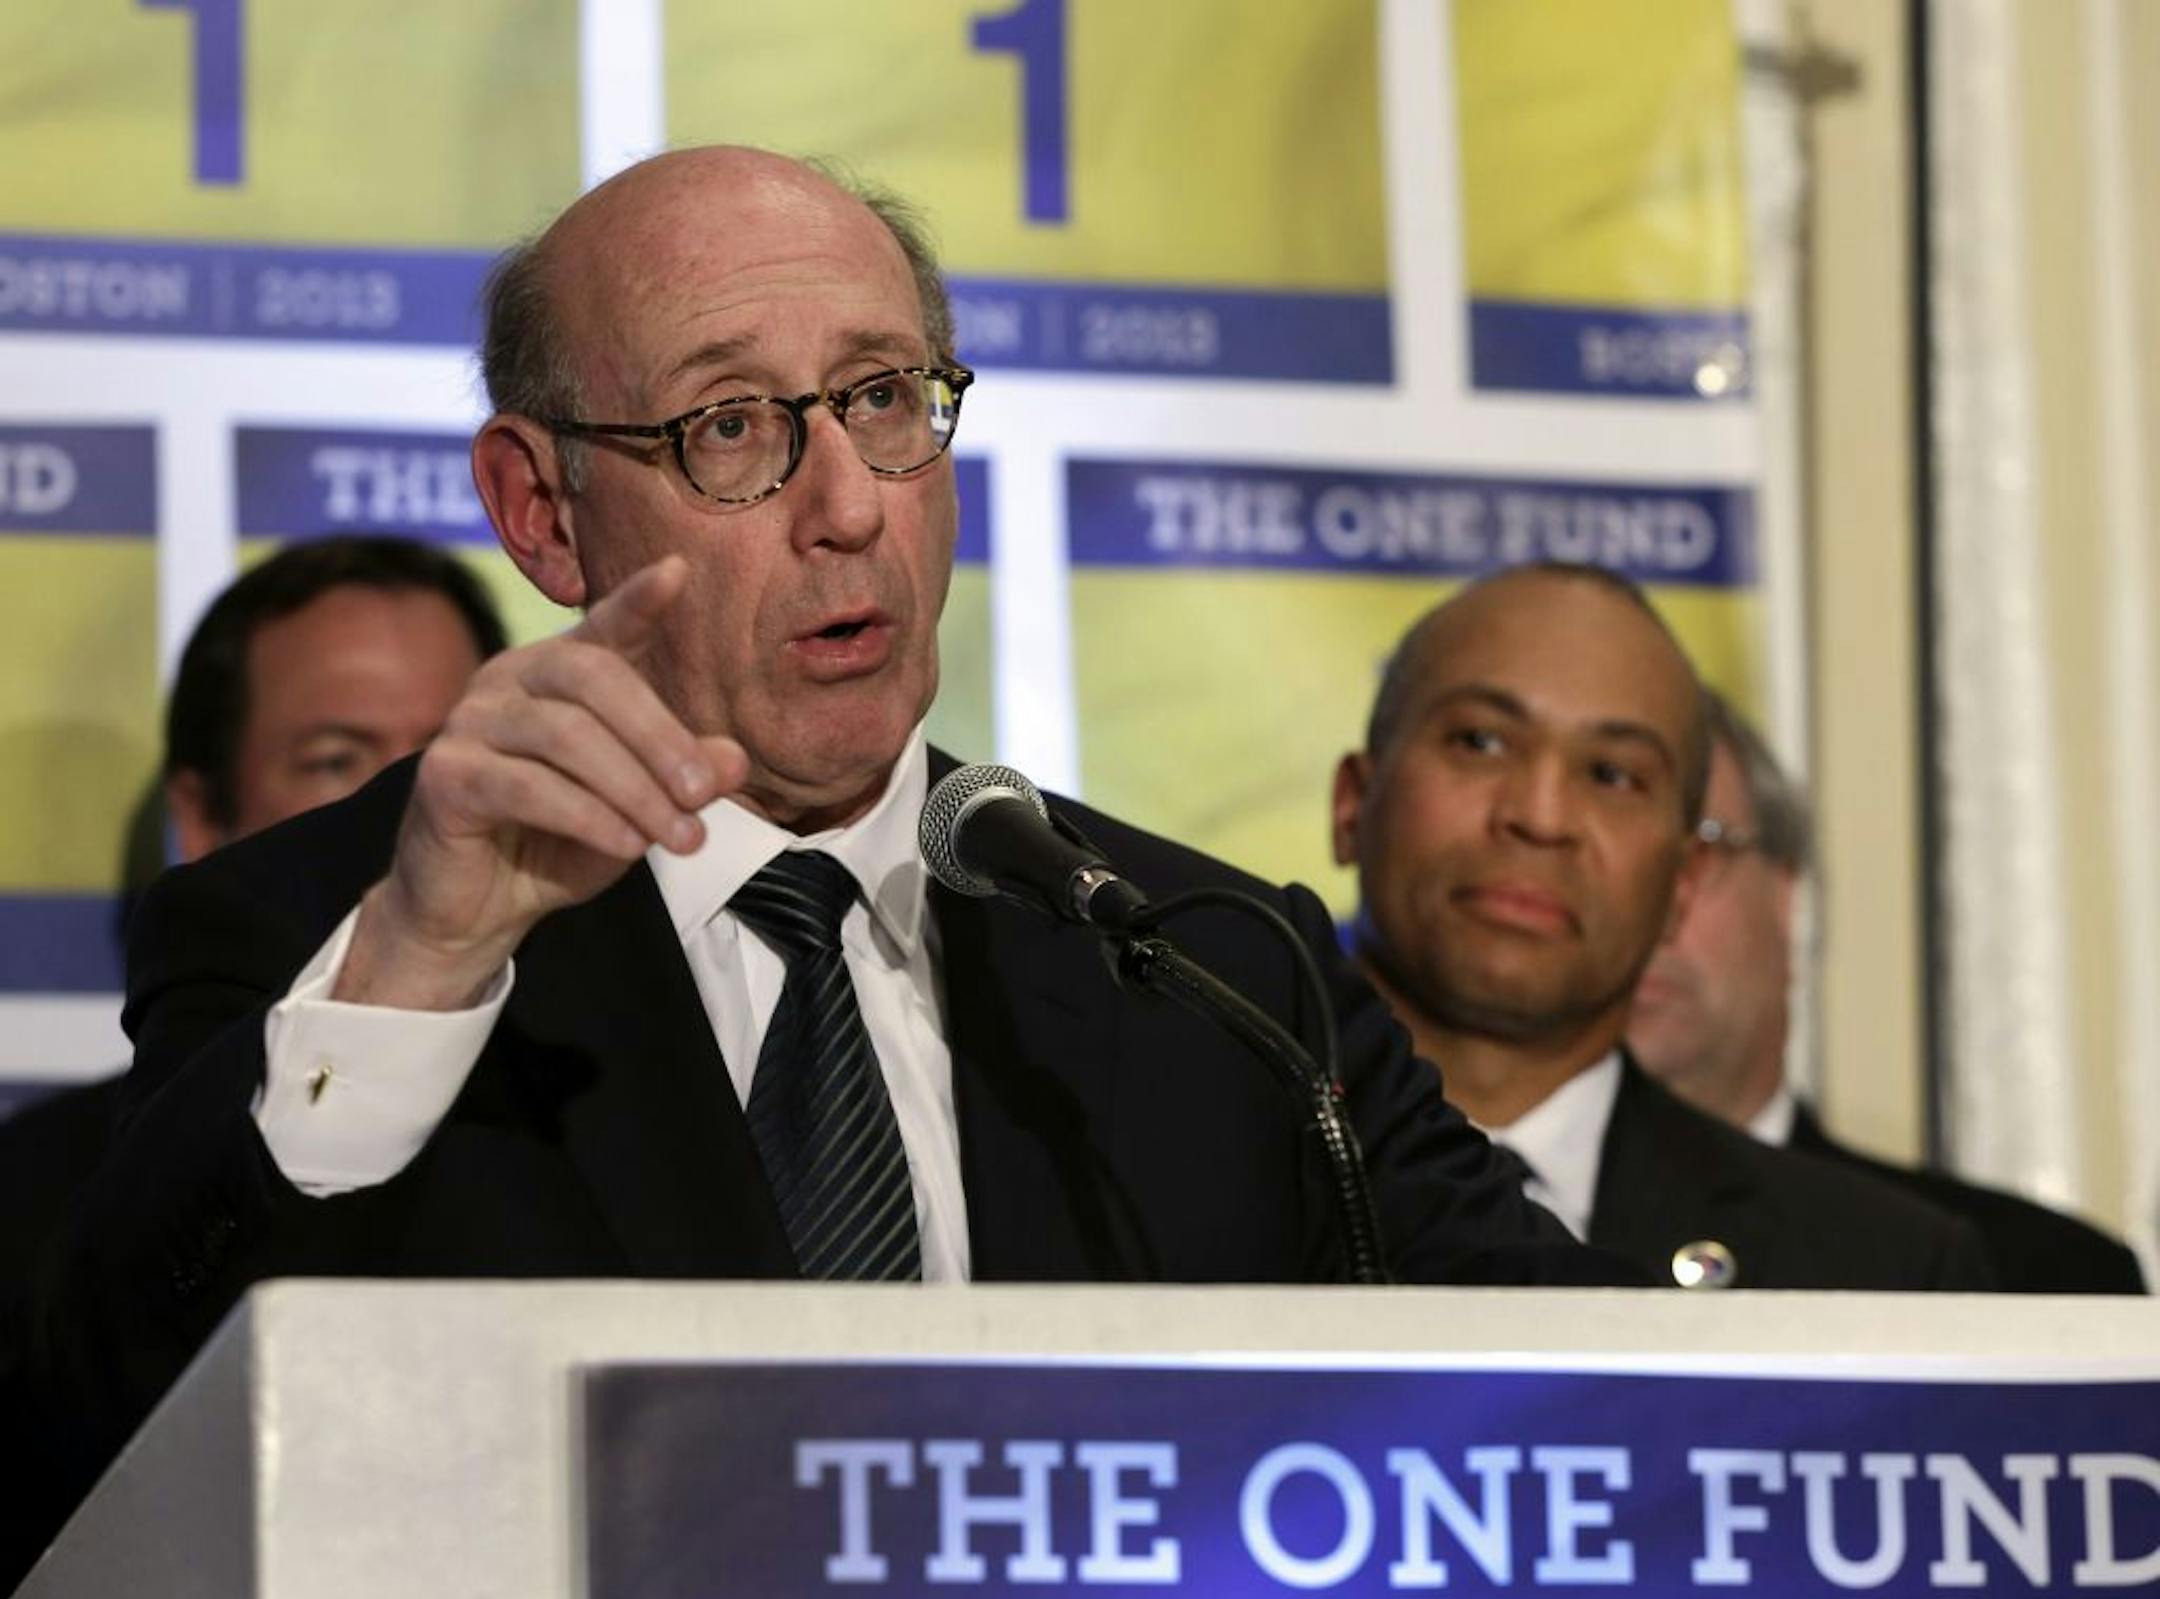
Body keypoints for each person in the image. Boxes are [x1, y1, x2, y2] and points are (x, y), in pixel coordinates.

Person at [28, 148, 1623, 1489]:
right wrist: (422, 962)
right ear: (541, 509)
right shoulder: (336, 937)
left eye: (881, 397)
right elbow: (106, 1434)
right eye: (730, 425)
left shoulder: (1216, 966)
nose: (849, 500)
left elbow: (1617, 1405)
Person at [0, 534, 507, 1595]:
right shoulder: (41, 1203)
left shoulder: (606, 1116)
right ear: (201, 814)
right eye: (338, 760)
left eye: (453, 754)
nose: (419, 809)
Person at [1330, 564, 1995, 1290]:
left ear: (1683, 882)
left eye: (1613, 775)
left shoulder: (1884, 1272)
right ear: (1353, 804)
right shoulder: (1196, 1172)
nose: (1540, 816)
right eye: (1481, 742)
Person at [1626, 688, 2146, 1293]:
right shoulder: (1500, 1239)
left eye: (1696, 855)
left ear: (1787, 902)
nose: (1649, 910)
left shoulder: (2033, 1278)